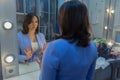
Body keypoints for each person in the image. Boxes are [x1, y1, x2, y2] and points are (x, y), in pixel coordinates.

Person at [40, 1, 98, 80]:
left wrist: (43, 65)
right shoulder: (93, 47)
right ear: (85, 21)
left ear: (63, 21)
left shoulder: (53, 48)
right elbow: (89, 78)